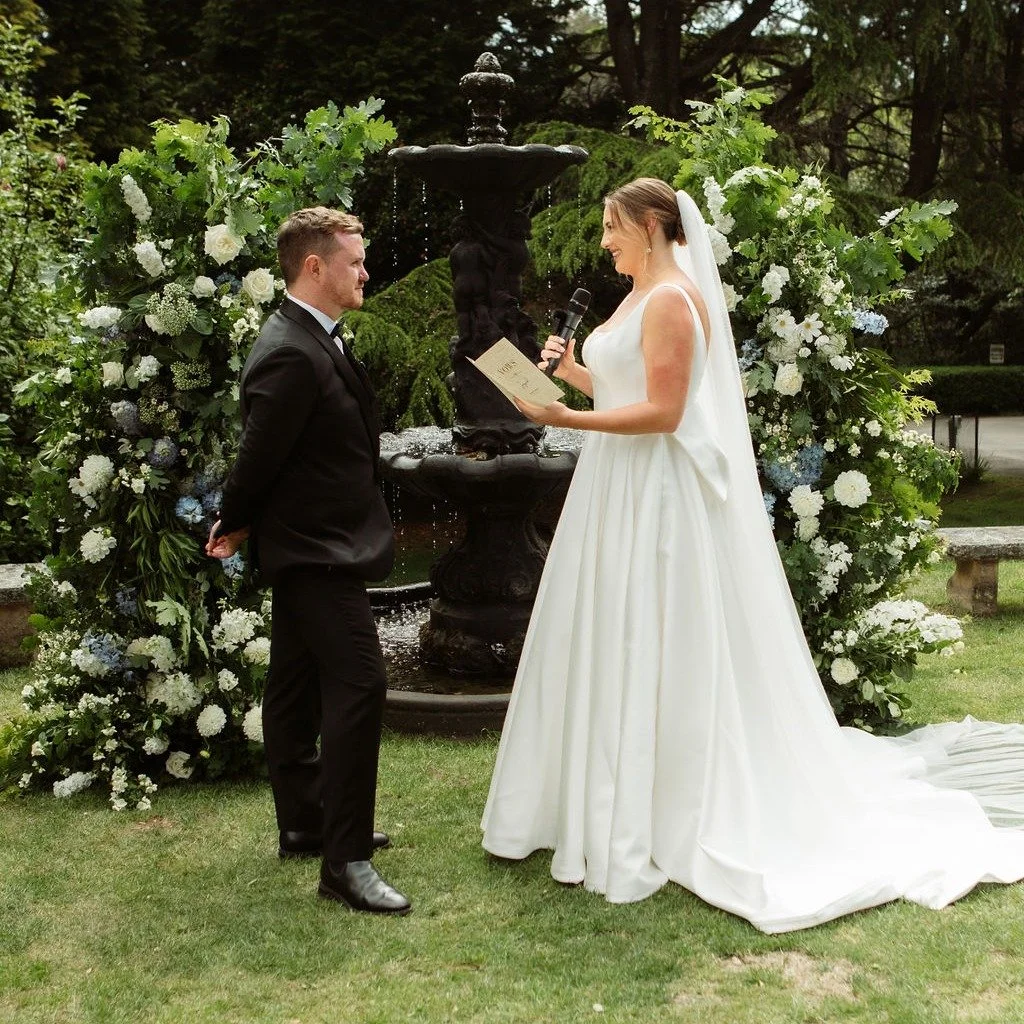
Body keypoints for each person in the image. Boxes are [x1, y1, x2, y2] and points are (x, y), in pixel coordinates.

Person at [481, 178, 1024, 933]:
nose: (604, 242)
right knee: (611, 629)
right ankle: (605, 792)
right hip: (614, 486)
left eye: (612, 227)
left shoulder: (673, 301)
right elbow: (627, 385)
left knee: (652, 630)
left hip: (654, 492)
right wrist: (571, 374)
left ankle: (663, 801)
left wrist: (563, 417)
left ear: (651, 225)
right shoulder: (637, 296)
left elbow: (666, 412)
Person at [206, 206, 411, 916]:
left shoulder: (314, 335)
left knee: (293, 689)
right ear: (315, 266)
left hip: (318, 541)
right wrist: (234, 520)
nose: (366, 272)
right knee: (360, 683)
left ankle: (304, 821)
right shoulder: (291, 350)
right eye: (355, 261)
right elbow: (258, 456)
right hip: (316, 549)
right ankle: (344, 862)